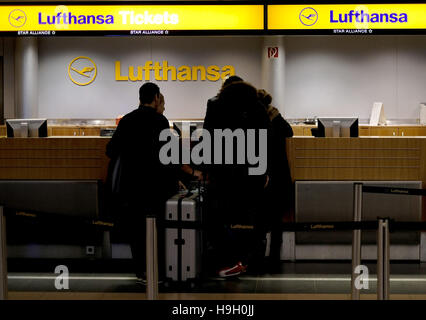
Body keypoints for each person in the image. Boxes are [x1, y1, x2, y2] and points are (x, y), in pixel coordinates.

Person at [105, 82, 179, 284]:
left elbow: (110, 150)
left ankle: (141, 272)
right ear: (156, 98)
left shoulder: (127, 120)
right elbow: (167, 154)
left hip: (131, 185)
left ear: (140, 98)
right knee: (157, 229)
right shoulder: (160, 121)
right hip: (156, 185)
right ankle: (157, 271)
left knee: (136, 231)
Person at [203, 80, 272, 277]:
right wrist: (265, 171)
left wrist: (208, 170)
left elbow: (208, 140)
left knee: (217, 218)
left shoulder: (216, 106)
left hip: (223, 173)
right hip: (251, 172)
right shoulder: (257, 106)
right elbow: (265, 140)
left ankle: (231, 260)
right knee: (252, 218)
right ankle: (248, 260)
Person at [257, 89, 294, 269]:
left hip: (263, 175)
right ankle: (274, 257)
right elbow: (289, 132)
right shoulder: (275, 118)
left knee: (261, 218)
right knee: (276, 220)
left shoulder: (256, 119)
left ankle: (258, 256)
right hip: (279, 174)